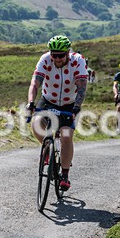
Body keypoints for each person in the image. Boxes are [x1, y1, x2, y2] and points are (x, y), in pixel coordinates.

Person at [26, 34, 88, 191]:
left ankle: (65, 175)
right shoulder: (45, 59)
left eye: (61, 55)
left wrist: (77, 107)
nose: (57, 59)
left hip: (69, 103)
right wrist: (31, 103)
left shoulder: (78, 60)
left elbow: (81, 87)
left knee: (66, 135)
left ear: (67, 52)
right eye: (54, 55)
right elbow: (35, 83)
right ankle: (48, 150)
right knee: (36, 124)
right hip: (48, 99)